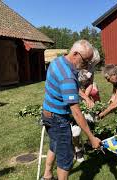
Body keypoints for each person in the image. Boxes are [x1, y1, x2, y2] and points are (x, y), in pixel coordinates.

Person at [41, 40, 101, 180]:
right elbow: (76, 112)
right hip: (58, 119)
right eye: (85, 61)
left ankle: (47, 176)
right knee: (66, 158)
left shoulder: (58, 61)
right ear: (75, 54)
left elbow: (70, 89)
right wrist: (91, 138)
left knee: (54, 145)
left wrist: (85, 97)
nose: (86, 65)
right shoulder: (68, 76)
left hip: (47, 112)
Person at [71, 47, 101, 163]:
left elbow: (90, 83)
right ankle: (77, 148)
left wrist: (87, 97)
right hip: (73, 95)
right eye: (90, 62)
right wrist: (83, 97)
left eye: (93, 63)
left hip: (84, 96)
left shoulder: (91, 68)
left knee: (89, 119)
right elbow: (73, 86)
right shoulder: (75, 66)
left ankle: (90, 141)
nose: (90, 65)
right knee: (75, 130)